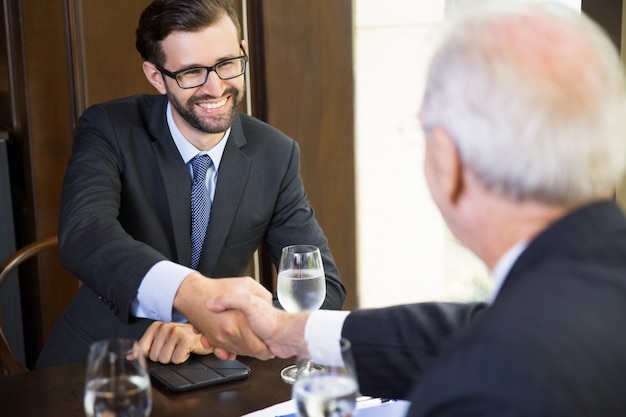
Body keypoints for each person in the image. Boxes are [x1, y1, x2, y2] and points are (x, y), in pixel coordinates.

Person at [206, 2, 626, 415]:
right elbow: (466, 329)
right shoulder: (589, 274)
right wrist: (290, 331)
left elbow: (492, 348)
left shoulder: (485, 385)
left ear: (449, 162)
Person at [35, 0, 346, 368]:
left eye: (227, 64)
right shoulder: (109, 128)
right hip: (102, 362)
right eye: (192, 72)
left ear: (243, 52)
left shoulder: (275, 154)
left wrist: (207, 330)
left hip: (212, 368)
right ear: (156, 76)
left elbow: (323, 289)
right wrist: (190, 294)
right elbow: (85, 233)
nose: (215, 87)